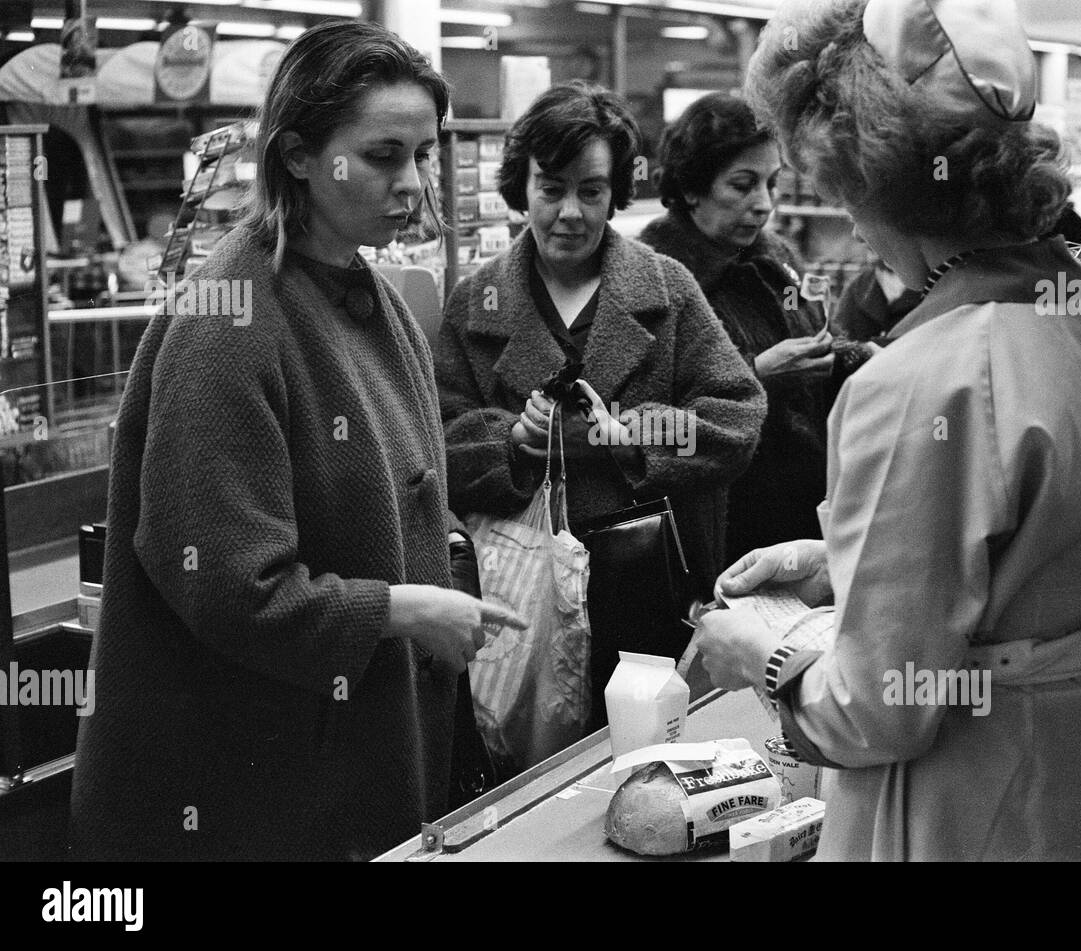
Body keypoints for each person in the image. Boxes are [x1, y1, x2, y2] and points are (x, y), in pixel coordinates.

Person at [694, 0, 1081, 861]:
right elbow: (1029, 554)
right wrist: (839, 562)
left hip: (965, 803)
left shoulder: (915, 381)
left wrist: (762, 654)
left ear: (880, 182)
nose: (847, 219)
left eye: (842, 190)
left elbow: (875, 707)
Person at [71, 21, 524, 861]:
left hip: (343, 761)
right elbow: (230, 586)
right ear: (298, 157)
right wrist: (406, 609)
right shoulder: (230, 323)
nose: (416, 185)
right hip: (249, 796)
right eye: (386, 155)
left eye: (426, 155)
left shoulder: (376, 294)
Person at [435, 81, 766, 729]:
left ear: (617, 193)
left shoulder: (666, 291)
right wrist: (514, 444)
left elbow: (736, 417)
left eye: (591, 191)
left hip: (648, 594)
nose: (570, 213)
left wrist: (629, 437)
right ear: (521, 186)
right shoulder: (477, 303)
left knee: (647, 752)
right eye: (551, 187)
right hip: (518, 606)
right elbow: (434, 439)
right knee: (528, 771)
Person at [640, 93, 832, 558]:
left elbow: (821, 335)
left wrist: (855, 357)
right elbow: (646, 416)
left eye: (772, 182)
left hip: (807, 511)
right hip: (720, 524)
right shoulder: (655, 277)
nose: (763, 204)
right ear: (691, 189)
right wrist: (759, 377)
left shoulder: (779, 259)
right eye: (742, 185)